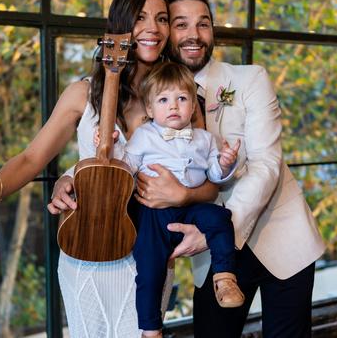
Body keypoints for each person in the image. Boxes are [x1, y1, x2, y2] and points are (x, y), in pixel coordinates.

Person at [0, 0, 218, 338]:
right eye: (140, 17)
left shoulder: (182, 98)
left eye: (162, 18)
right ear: (118, 26)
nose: (152, 28)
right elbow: (31, 158)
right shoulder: (82, 92)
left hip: (149, 254)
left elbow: (210, 184)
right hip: (87, 249)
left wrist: (183, 196)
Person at [164, 0, 327, 337]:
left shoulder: (251, 78)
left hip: (282, 237)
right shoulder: (156, 95)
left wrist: (215, 232)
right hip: (213, 254)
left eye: (203, 24)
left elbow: (266, 164)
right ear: (167, 33)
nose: (194, 34)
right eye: (182, 24)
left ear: (212, 32)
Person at [93, 61, 244, 337]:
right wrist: (112, 146)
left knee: (221, 218)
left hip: (191, 208)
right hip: (153, 213)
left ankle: (224, 277)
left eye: (182, 98)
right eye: (163, 100)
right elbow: (126, 166)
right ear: (150, 109)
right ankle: (151, 329)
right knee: (150, 270)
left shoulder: (206, 139)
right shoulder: (144, 136)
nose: (173, 106)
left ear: (193, 106)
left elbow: (214, 175)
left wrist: (224, 163)